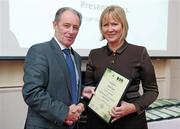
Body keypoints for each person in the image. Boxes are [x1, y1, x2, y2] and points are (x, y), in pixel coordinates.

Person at [83, 5, 159, 129]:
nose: (110, 29)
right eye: (105, 25)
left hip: (131, 121)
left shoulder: (139, 52)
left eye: (114, 24)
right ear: (101, 28)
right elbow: (88, 88)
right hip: (98, 121)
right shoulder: (94, 54)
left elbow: (152, 91)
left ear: (123, 25)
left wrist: (132, 107)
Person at [22, 7, 85, 129]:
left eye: (75, 27)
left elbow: (65, 84)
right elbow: (32, 92)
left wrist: (82, 90)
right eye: (66, 25)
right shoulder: (39, 51)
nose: (71, 31)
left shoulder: (76, 57)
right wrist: (65, 112)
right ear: (55, 25)